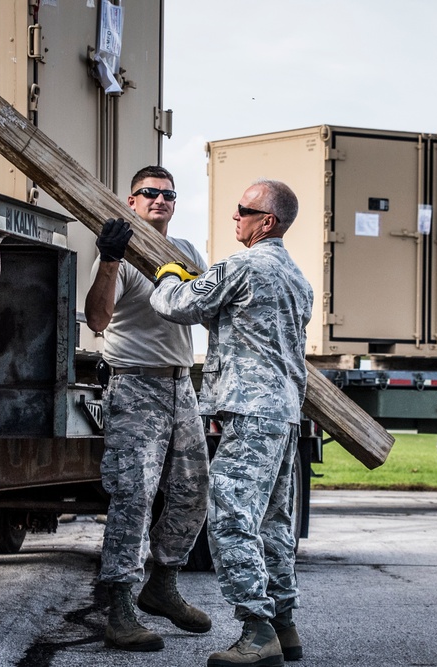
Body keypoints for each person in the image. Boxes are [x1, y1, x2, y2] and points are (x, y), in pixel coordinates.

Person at [148, 178, 313, 667]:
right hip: (284, 415)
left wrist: (170, 275)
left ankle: (256, 631)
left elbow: (175, 306)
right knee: (274, 524)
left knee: (229, 514)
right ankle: (284, 626)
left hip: (251, 413)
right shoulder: (297, 278)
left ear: (268, 222)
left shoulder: (242, 266)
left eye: (245, 209)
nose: (235, 215)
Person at [84, 165, 211, 652]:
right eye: (149, 193)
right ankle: (119, 607)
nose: (159, 200)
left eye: (168, 194)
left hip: (182, 386)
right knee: (133, 496)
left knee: (194, 490)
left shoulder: (187, 253)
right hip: (135, 386)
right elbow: (97, 318)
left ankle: (162, 585)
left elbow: (204, 307)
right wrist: (110, 260)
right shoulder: (118, 255)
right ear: (131, 201)